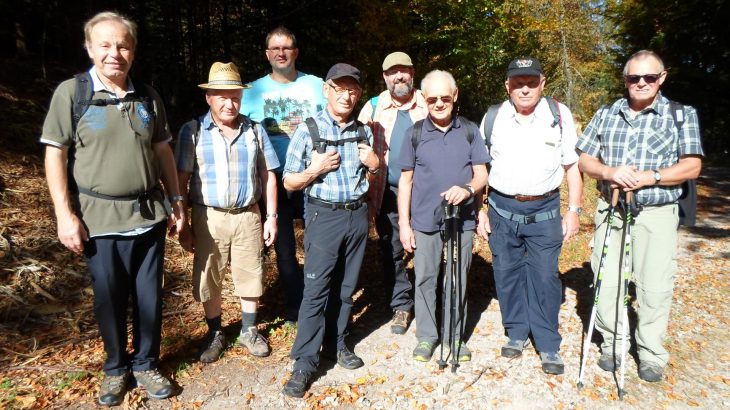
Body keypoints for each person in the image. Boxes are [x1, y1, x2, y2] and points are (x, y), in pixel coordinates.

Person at [40, 11, 183, 406]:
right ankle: (116, 369)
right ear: (89, 48)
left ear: (133, 51)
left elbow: (162, 151)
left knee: (149, 298)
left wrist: (176, 199)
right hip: (98, 221)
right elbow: (56, 154)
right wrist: (63, 214)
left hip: (149, 216)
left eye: (123, 45)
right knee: (109, 298)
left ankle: (146, 364)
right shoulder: (73, 93)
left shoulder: (148, 97)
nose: (114, 53)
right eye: (105, 44)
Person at [576, 50, 703, 382]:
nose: (641, 83)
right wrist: (609, 171)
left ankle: (650, 353)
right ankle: (613, 345)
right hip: (612, 208)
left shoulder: (681, 114)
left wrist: (651, 176)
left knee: (654, 286)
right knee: (607, 280)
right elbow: (584, 160)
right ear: (625, 80)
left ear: (662, 78)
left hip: (657, 212)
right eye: (634, 78)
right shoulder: (607, 114)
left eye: (649, 77)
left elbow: (692, 165)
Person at [476, 57, 583, 375]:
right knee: (506, 274)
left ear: (543, 83)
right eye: (518, 82)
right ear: (507, 85)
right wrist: (478, 209)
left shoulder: (558, 114)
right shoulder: (493, 117)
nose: (525, 88)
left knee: (545, 277)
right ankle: (516, 333)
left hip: (545, 211)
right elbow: (479, 168)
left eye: (531, 81)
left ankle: (548, 343)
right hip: (500, 210)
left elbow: (572, 167)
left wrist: (574, 210)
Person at [281, 63, 379, 398]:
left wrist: (376, 165)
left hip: (357, 216)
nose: (347, 95)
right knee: (316, 291)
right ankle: (305, 362)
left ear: (359, 93)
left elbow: (371, 176)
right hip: (324, 218)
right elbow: (289, 181)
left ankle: (337, 344)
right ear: (327, 90)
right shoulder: (308, 129)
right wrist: (314, 169)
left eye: (353, 89)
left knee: (346, 287)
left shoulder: (364, 131)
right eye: (340, 88)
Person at [175, 62, 279, 364]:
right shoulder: (192, 131)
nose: (228, 102)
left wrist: (271, 216)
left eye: (234, 96)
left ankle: (248, 330)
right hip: (209, 217)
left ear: (241, 97)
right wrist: (182, 223)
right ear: (208, 98)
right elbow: (181, 179)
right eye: (221, 95)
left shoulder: (255, 130)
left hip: (248, 214)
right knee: (209, 277)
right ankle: (215, 332)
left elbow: (267, 174)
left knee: (251, 274)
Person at [397, 70, 489, 363]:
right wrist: (404, 224)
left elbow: (482, 174)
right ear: (424, 99)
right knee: (425, 278)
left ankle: (455, 335)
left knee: (457, 278)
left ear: (455, 96)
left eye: (445, 98)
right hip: (424, 221)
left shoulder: (470, 131)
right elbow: (405, 181)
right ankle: (427, 336)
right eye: (432, 98)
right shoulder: (414, 134)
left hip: (460, 221)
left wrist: (467, 190)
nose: (439, 103)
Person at [241, 26, 326, 324]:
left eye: (286, 47)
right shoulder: (251, 93)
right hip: (274, 179)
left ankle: (319, 300)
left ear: (296, 51)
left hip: (314, 175)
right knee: (285, 247)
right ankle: (294, 305)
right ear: (267, 54)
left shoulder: (317, 86)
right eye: (275, 48)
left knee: (319, 242)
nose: (281, 53)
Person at [358, 52, 428, 335]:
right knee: (391, 249)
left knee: (427, 247)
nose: (399, 76)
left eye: (404, 71)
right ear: (384, 76)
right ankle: (401, 304)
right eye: (392, 72)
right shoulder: (372, 107)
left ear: (413, 73)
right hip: (386, 191)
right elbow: (357, 147)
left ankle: (428, 300)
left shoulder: (428, 102)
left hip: (424, 193)